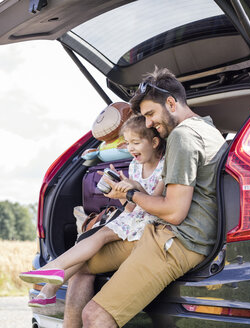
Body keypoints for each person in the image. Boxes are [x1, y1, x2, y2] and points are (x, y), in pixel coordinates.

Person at [63, 67, 228, 328]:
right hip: (159, 232)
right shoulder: (207, 127)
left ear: (172, 103)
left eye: (151, 114)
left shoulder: (183, 137)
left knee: (95, 316)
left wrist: (130, 192)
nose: (148, 124)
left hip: (177, 241)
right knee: (80, 264)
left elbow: (174, 212)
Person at [19, 115, 166, 307]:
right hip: (133, 218)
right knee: (92, 237)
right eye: (127, 143)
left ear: (154, 142)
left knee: (99, 236)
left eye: (136, 143)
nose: (130, 148)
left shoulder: (164, 167)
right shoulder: (134, 165)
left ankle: (53, 274)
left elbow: (157, 204)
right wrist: (120, 193)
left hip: (150, 223)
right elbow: (130, 207)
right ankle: (51, 281)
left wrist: (136, 188)